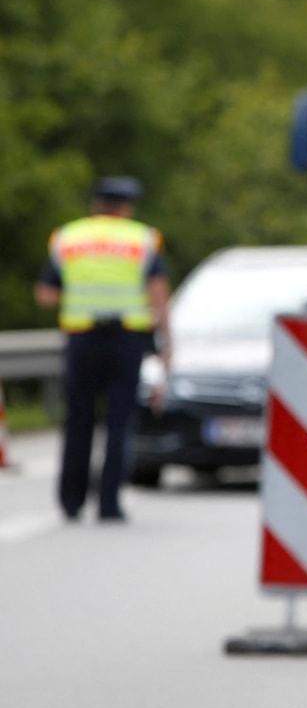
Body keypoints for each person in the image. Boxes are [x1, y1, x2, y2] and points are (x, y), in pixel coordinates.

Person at [35, 177, 171, 522]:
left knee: (78, 420)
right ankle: (109, 504)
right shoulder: (143, 238)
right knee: (118, 422)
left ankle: (71, 502)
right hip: (126, 339)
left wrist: (83, 295)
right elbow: (158, 293)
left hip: (82, 338)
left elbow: (45, 295)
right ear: (127, 207)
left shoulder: (67, 237)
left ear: (97, 204)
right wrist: (166, 341)